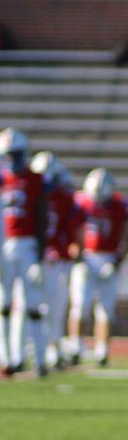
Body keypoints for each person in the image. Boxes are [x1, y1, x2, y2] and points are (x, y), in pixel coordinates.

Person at [64, 168, 128, 367]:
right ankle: (75, 346)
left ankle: (102, 351)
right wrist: (79, 256)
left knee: (105, 309)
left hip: (108, 258)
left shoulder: (120, 206)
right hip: (87, 257)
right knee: (80, 305)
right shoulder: (81, 203)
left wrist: (116, 262)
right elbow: (73, 233)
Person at [0, 128, 47, 376]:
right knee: (4, 304)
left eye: (15, 155)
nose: (12, 160)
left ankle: (39, 359)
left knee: (33, 305)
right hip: (5, 244)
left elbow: (41, 216)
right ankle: (9, 358)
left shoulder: (35, 179)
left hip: (28, 244)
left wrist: (40, 253)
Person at [28, 152, 78, 370]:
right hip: (31, 255)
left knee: (56, 306)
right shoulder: (28, 192)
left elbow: (69, 229)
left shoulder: (64, 198)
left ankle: (52, 347)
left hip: (54, 258)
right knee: (26, 305)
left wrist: (64, 249)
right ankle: (22, 350)